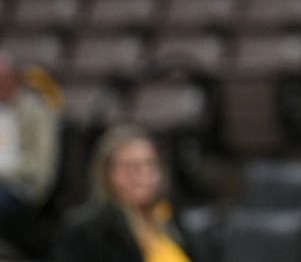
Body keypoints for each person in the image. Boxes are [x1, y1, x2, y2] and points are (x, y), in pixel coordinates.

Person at [52, 125, 193, 262]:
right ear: (107, 174)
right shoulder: (86, 231)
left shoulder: (173, 221)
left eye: (149, 165)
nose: (142, 175)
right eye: (130, 167)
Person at [0, 52, 60, 254]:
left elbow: (41, 164)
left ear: (15, 79)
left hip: (21, 187)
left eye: (3, 80)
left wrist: (4, 173)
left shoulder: (35, 110)